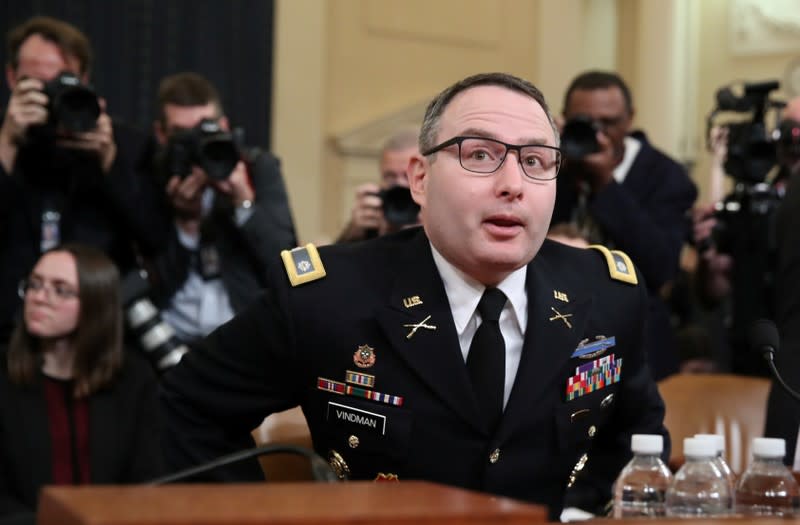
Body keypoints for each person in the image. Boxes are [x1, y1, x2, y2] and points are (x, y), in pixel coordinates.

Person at [160, 72, 669, 519]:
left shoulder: (607, 293)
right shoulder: (327, 298)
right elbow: (188, 408)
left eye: (536, 161)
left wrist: (583, 512)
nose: (513, 184)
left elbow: (637, 441)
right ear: (420, 180)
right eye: (480, 155)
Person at [0, 16, 168, 344]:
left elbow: (156, 238)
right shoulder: (2, 139)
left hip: (99, 334)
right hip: (7, 328)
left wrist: (110, 162)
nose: (50, 95)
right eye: (36, 83)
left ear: (84, 80)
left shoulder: (128, 145)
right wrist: (7, 143)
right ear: (11, 77)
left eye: (61, 82)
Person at [0, 244, 162, 524]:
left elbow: (150, 479)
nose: (39, 298)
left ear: (95, 303)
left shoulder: (132, 379)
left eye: (60, 290)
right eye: (34, 285)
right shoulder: (4, 376)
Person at [551, 71, 697, 380]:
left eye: (609, 122)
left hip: (637, 342)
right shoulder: (553, 169)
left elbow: (661, 267)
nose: (597, 132)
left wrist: (605, 184)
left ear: (629, 120)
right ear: (565, 119)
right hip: (558, 333)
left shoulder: (665, 176)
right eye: (584, 121)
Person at [142, 72, 297, 345]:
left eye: (205, 130)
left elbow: (286, 261)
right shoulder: (150, 175)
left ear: (224, 127)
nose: (194, 144)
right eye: (182, 135)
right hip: (168, 337)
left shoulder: (256, 169)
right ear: (161, 135)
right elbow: (153, 283)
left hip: (242, 334)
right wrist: (186, 223)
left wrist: (244, 202)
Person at [693, 96, 800, 375]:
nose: (795, 140)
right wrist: (708, 258)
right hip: (752, 353)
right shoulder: (748, 206)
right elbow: (715, 291)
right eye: (789, 130)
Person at [336, 128, 419, 242]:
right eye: (390, 177)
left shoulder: (440, 218)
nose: (399, 184)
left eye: (408, 175)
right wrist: (355, 233)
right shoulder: (376, 218)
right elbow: (338, 258)